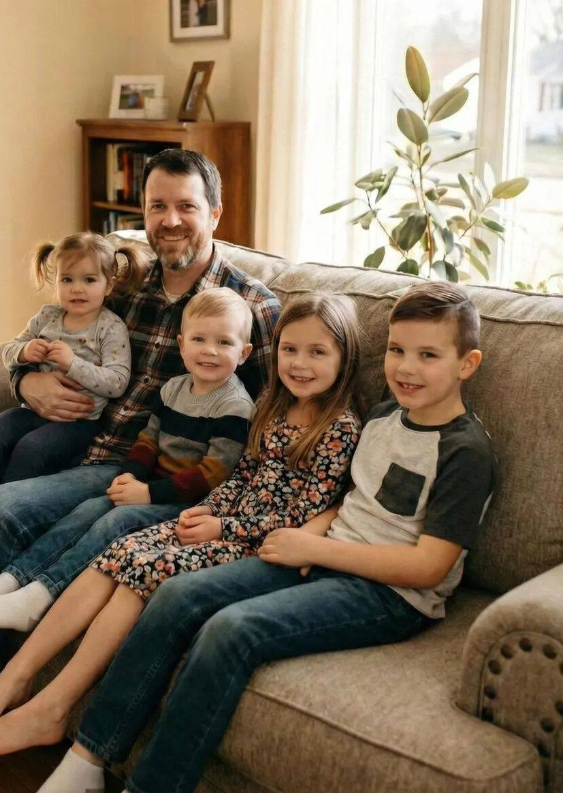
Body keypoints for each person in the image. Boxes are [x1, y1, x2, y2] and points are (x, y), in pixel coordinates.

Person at [0, 148, 281, 792]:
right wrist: (27, 384)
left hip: (130, 464)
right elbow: (39, 337)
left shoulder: (251, 308)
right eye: (157, 206)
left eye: (186, 207)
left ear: (215, 213)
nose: (169, 220)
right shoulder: (127, 279)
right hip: (63, 431)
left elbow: (266, 428)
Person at [26, 281, 497, 793]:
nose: (406, 368)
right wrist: (312, 533)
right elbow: (348, 497)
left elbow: (429, 567)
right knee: (177, 594)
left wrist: (315, 546)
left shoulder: (465, 452)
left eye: (428, 355)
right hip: (318, 552)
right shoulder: (386, 416)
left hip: (388, 594)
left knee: (232, 631)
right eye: (398, 351)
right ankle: (89, 756)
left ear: (467, 364)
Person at [0, 293, 361, 758]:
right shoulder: (272, 403)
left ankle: (52, 707)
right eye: (290, 349)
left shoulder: (340, 428)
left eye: (317, 352)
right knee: (120, 550)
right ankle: (15, 677)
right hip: (221, 520)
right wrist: (208, 511)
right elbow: (242, 475)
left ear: (344, 358)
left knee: (142, 571)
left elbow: (303, 515)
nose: (300, 363)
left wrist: (222, 528)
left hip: (258, 544)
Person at [0, 286, 256, 632]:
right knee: (89, 510)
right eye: (199, 339)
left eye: (224, 343)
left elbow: (213, 474)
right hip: (150, 485)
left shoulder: (234, 406)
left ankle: (39, 595)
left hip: (189, 503)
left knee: (115, 522)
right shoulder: (173, 389)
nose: (210, 351)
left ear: (244, 352)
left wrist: (149, 493)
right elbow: (148, 439)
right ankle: (12, 579)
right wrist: (130, 475)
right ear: (182, 345)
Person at [0, 232, 144, 539]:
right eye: (67, 279)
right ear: (55, 282)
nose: (77, 288)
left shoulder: (110, 328)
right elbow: (8, 351)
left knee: (32, 447)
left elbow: (117, 382)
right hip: (34, 411)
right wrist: (23, 352)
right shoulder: (48, 316)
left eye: (89, 280)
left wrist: (73, 363)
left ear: (108, 285)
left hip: (80, 423)